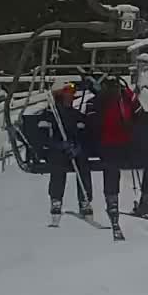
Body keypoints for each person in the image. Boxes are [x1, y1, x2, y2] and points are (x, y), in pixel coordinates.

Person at [85, 73, 148, 229]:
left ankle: (147, 199)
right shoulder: (94, 103)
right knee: (111, 164)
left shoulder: (128, 99)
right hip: (107, 144)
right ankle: (112, 200)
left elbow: (142, 118)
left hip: (128, 143)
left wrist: (134, 129)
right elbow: (91, 125)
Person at [42, 82, 93, 222]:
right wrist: (59, 145)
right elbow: (43, 137)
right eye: (67, 93)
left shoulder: (75, 115)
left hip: (74, 150)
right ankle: (56, 199)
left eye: (72, 93)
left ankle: (85, 199)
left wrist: (78, 147)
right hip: (57, 150)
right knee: (58, 164)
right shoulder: (50, 115)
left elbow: (85, 133)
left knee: (83, 162)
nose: (71, 96)